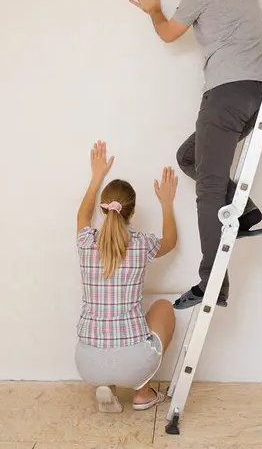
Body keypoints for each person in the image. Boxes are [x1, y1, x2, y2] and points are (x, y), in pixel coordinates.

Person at [120, 0, 262, 310]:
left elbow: (169, 33)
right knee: (189, 158)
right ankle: (246, 212)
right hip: (257, 96)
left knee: (208, 193)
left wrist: (154, 10)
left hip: (223, 99)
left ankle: (212, 283)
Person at [74, 140, 179, 413]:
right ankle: (142, 393)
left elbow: (81, 217)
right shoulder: (142, 244)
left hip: (87, 362)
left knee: (107, 341)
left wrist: (96, 176)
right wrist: (166, 203)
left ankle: (105, 384)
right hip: (134, 362)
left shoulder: (86, 242)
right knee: (164, 308)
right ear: (132, 212)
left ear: (103, 208)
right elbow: (170, 241)